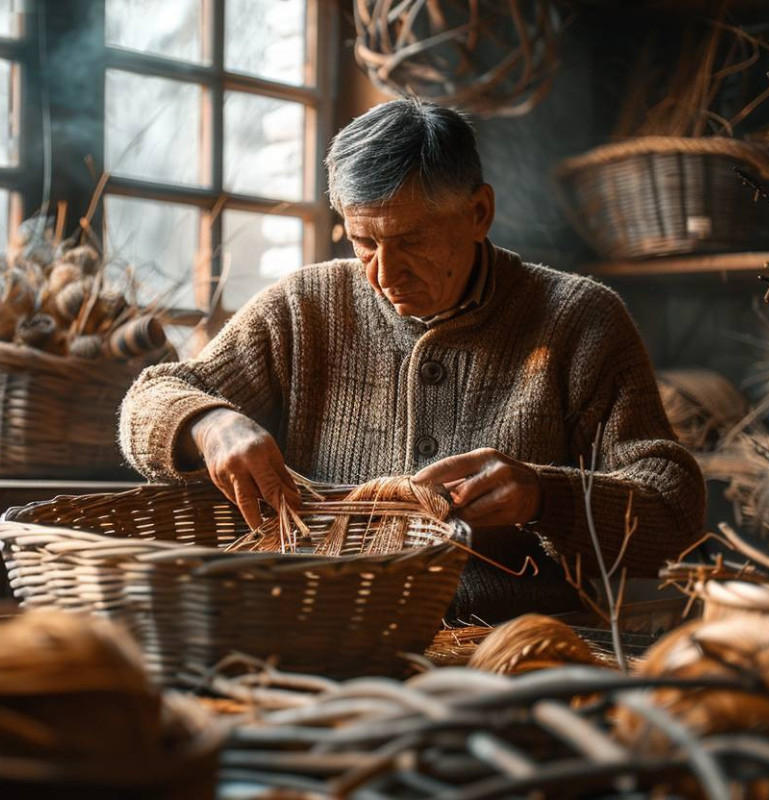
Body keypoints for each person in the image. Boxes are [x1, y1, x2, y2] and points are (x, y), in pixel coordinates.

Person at [117, 98, 705, 620]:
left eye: (411, 242)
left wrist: (544, 497)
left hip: (511, 643)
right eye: (363, 241)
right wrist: (208, 422)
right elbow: (150, 398)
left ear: (479, 213)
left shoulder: (579, 319)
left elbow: (674, 510)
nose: (382, 274)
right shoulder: (302, 308)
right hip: (316, 629)